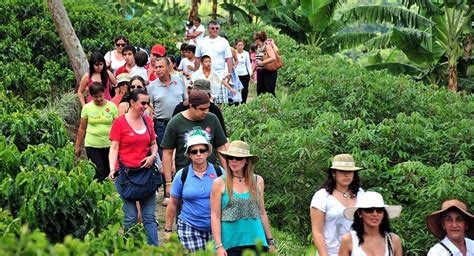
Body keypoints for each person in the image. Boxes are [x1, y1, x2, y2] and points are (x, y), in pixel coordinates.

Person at [108, 89, 159, 246]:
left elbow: (154, 144)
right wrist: (112, 168)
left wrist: (152, 156)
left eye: (147, 103)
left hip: (146, 175)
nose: (146, 106)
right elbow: (114, 148)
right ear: (132, 102)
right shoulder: (119, 123)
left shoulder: (147, 121)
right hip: (126, 176)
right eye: (142, 103)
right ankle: (130, 249)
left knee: (149, 218)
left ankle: (154, 250)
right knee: (130, 218)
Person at [211, 140, 276, 255]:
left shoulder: (258, 181)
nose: (233, 161)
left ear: (246, 160)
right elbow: (215, 216)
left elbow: (262, 212)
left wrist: (270, 241)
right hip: (230, 243)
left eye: (238, 158)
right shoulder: (219, 183)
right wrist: (218, 245)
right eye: (230, 158)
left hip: (256, 241)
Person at [161, 90, 229, 200]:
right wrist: (168, 182)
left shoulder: (212, 119)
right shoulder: (176, 122)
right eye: (202, 109)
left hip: (210, 175)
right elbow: (167, 152)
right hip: (185, 177)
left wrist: (228, 175)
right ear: (191, 106)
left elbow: (221, 147)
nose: (205, 112)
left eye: (207, 108)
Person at [164, 132, 224, 252]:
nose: (198, 154)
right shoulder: (182, 175)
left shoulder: (219, 172)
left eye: (202, 150)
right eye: (194, 151)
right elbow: (173, 203)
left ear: (207, 152)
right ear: (189, 154)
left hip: (215, 227)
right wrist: (168, 230)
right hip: (189, 225)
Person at [310, 154, 365, 256]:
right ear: (334, 173)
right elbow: (317, 232)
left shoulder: (361, 194)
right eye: (342, 171)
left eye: (349, 171)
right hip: (331, 252)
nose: (346, 175)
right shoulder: (322, 196)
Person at [75, 83, 118, 181]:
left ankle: (104, 190)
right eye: (95, 97)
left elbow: (116, 127)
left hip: (109, 144)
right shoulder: (87, 108)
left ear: (104, 93)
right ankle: (99, 194)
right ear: (91, 96)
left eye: (100, 96)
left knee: (107, 170)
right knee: (98, 171)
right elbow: (82, 128)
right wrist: (78, 146)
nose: (98, 99)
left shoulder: (112, 107)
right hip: (92, 144)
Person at [339, 191, 403, 256]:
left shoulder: (393, 240)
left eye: (379, 210)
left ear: (383, 214)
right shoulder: (349, 240)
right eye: (369, 210)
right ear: (360, 213)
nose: (375, 214)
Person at [254, 31, 278, 97]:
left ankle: (272, 106)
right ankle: (262, 107)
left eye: (255, 39)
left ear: (258, 39)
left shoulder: (267, 47)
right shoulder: (259, 48)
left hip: (269, 72)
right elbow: (257, 60)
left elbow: (273, 57)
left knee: (269, 92)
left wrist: (262, 62)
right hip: (261, 71)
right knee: (260, 92)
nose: (254, 41)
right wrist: (253, 70)